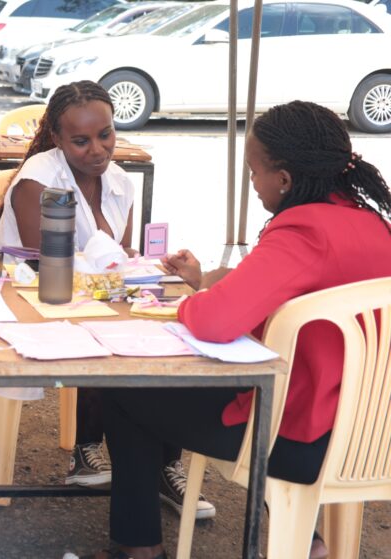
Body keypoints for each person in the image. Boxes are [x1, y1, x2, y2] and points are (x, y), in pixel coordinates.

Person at [67, 100, 391, 559]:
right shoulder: (374, 224)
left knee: (126, 390)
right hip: (373, 436)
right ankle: (307, 540)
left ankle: (140, 549)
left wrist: (193, 300)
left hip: (301, 440)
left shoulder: (303, 231)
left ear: (284, 179)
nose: (253, 185)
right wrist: (214, 284)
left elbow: (214, 321)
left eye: (255, 173)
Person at [0, 80, 214, 519]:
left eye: (105, 134)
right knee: (107, 336)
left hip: (95, 298)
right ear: (56, 138)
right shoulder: (37, 181)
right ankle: (88, 450)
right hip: (33, 299)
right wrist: (111, 268)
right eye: (81, 140)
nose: (98, 150)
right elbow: (47, 264)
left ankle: (165, 465)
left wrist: (148, 265)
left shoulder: (121, 182)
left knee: (168, 338)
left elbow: (119, 257)